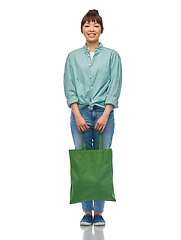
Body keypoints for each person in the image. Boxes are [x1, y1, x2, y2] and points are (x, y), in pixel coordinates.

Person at [64, 9, 122, 226]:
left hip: (103, 114)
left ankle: (99, 212)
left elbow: (114, 86)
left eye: (95, 25)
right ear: (82, 29)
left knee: (101, 159)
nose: (91, 29)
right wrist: (77, 115)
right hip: (79, 114)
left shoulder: (112, 56)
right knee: (82, 161)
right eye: (87, 25)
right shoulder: (72, 57)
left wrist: (106, 114)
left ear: (102, 29)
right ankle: (86, 211)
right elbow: (69, 88)